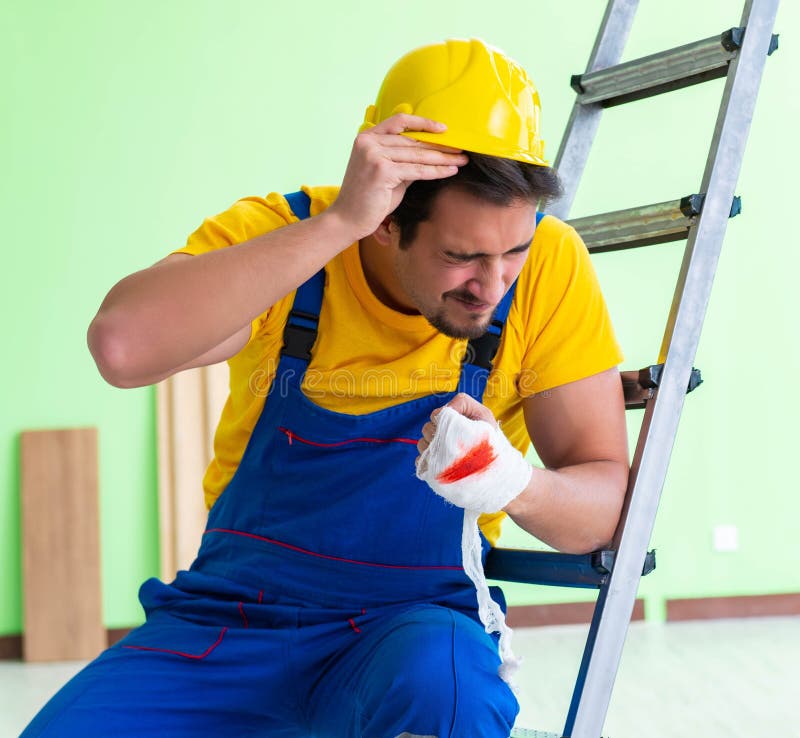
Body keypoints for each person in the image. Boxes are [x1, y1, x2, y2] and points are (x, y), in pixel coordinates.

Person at [24, 38, 629, 738]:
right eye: (461, 258)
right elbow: (122, 347)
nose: (492, 287)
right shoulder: (289, 238)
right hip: (229, 622)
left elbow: (607, 506)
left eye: (512, 253)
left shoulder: (552, 267)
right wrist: (340, 221)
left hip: (408, 626)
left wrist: (511, 482)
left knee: (450, 686)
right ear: (387, 222)